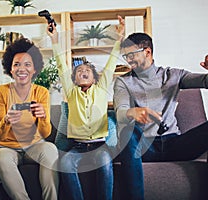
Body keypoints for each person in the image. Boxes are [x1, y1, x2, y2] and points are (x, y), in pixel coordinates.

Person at [113, 32, 208, 200]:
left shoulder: (174, 75)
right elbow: (121, 111)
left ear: (147, 52)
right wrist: (132, 112)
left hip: (175, 143)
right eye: (126, 56)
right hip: (145, 147)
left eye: (131, 55)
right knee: (127, 133)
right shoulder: (123, 82)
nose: (128, 60)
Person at [47, 16, 125, 200]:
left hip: (100, 146)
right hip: (78, 146)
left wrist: (119, 39)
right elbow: (61, 66)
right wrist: (55, 40)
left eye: (87, 71)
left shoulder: (101, 88)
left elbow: (112, 62)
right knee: (65, 164)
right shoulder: (71, 92)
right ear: (74, 79)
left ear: (95, 78)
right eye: (79, 71)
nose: (83, 71)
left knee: (106, 163)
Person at [0, 38, 59, 200]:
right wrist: (6, 121)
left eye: (27, 64)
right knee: (1, 158)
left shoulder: (41, 92)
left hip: (34, 146)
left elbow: (46, 133)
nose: (22, 68)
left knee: (51, 150)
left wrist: (42, 117)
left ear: (34, 69)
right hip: (6, 148)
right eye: (16, 64)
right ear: (10, 69)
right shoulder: (0, 92)